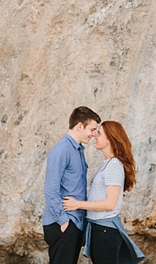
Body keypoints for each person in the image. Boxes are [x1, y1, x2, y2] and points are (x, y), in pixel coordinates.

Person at [62, 121, 145, 264]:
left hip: (105, 231)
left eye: (99, 133)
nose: (95, 136)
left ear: (110, 139)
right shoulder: (107, 164)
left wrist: (78, 204)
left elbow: (110, 204)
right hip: (99, 229)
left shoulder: (114, 166)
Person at [43, 106, 101, 264]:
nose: (93, 134)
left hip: (74, 223)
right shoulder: (62, 150)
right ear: (79, 126)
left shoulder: (77, 151)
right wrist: (63, 221)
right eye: (92, 129)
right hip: (63, 223)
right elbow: (51, 189)